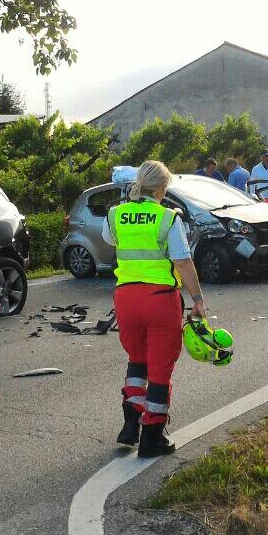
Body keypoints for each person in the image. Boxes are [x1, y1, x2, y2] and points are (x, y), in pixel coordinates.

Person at [103, 160, 207, 457]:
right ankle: (152, 437)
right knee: (160, 368)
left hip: (126, 298)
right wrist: (198, 300)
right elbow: (183, 262)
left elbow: (111, 240)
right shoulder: (168, 218)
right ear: (162, 187)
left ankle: (130, 423)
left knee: (137, 360)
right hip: (160, 299)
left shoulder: (116, 214)